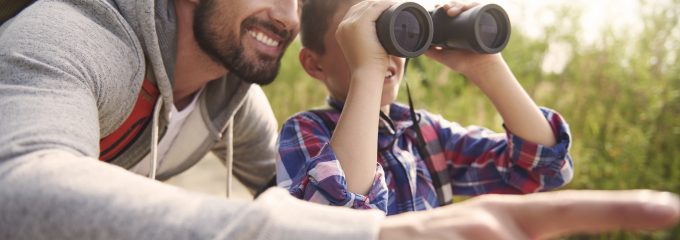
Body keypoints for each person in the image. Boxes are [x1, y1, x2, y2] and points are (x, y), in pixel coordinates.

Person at [0, 0, 677, 239]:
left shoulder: (236, 103)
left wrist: (480, 63)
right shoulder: (74, 37)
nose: (290, 20)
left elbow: (543, 165)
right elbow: (19, 182)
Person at [277, 0, 573, 214]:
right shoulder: (304, 132)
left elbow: (546, 170)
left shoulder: (426, 134)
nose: (384, 51)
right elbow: (332, 222)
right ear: (314, 63)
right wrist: (366, 71)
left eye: (389, 28)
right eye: (363, 37)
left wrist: (486, 67)